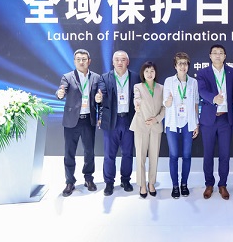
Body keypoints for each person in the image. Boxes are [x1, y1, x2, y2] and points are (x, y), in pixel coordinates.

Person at [56, 48, 101, 197]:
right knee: (69, 152)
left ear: (89, 61)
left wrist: (99, 100)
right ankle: (70, 181)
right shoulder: (67, 77)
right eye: (78, 59)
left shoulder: (96, 77)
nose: (81, 62)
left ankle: (88, 178)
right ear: (74, 62)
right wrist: (59, 93)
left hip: (88, 119)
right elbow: (61, 90)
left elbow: (100, 98)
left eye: (84, 59)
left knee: (89, 152)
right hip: (72, 121)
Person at [96, 50, 141, 196]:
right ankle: (109, 182)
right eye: (117, 60)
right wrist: (99, 98)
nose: (120, 62)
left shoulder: (135, 77)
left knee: (127, 153)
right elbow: (101, 94)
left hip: (129, 119)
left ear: (128, 62)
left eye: (123, 60)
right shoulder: (105, 77)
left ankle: (125, 180)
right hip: (111, 121)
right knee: (109, 154)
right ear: (113, 62)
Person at [196, 44, 233, 200]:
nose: (218, 55)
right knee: (208, 154)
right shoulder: (203, 73)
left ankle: (223, 185)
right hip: (209, 120)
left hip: (225, 119)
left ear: (225, 56)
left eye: (221, 53)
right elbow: (201, 91)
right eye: (215, 53)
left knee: (225, 154)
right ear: (210, 56)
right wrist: (214, 98)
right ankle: (209, 184)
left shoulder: (232, 72)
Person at [162, 52, 199, 199]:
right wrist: (168, 102)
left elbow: (196, 103)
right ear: (175, 66)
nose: (183, 66)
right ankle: (175, 186)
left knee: (187, 155)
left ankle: (184, 184)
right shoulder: (169, 81)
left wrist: (196, 123)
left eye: (185, 63)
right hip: (173, 122)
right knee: (174, 155)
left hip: (188, 123)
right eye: (180, 63)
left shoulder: (193, 82)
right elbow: (165, 102)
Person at [130, 61, 165, 198]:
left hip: (155, 125)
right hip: (141, 124)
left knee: (154, 157)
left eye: (152, 71)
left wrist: (156, 119)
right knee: (140, 157)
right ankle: (142, 184)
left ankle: (151, 183)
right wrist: (137, 105)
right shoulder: (138, 87)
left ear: (155, 73)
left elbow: (164, 107)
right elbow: (137, 99)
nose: (149, 74)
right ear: (142, 73)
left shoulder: (161, 88)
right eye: (146, 71)